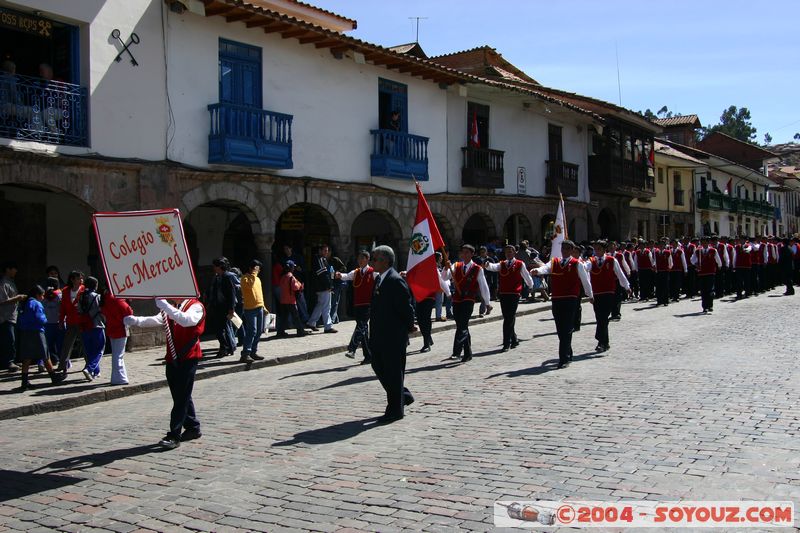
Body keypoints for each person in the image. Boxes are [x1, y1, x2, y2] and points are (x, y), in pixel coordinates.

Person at [125, 297, 206, 449]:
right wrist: (135, 320)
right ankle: (193, 427)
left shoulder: (195, 306)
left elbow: (186, 320)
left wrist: (165, 306)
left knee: (181, 396)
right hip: (172, 357)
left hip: (188, 356)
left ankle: (174, 435)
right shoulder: (173, 306)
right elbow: (157, 320)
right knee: (180, 394)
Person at [368, 245, 415, 424]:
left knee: (394, 371)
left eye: (376, 259)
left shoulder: (395, 280)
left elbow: (406, 306)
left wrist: (410, 326)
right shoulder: (379, 279)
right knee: (378, 366)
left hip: (393, 335)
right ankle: (403, 394)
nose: (373, 262)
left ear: (386, 261)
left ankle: (395, 410)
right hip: (379, 334)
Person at [531, 240, 593, 369]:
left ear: (571, 250)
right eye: (563, 248)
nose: (564, 251)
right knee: (560, 329)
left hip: (571, 298)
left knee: (566, 327)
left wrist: (590, 295)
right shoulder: (555, 262)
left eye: (567, 249)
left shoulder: (577, 264)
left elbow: (585, 280)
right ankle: (568, 352)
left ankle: (563, 358)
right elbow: (545, 268)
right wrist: (538, 270)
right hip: (557, 298)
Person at [441, 244, 493, 362]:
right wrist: (445, 267)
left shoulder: (477, 268)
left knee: (463, 325)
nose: (464, 255)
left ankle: (456, 351)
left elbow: (483, 286)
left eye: (467, 252)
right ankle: (468, 353)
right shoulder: (456, 265)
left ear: (472, 254)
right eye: (462, 252)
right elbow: (444, 278)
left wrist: (487, 302)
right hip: (457, 300)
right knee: (461, 326)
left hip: (469, 300)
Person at [484, 244, 534, 352]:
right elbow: (493, 267)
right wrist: (488, 265)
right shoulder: (502, 264)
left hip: (514, 293)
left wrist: (530, 286)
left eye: (510, 251)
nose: (508, 253)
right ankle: (514, 339)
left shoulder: (520, 264)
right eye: (507, 252)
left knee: (509, 317)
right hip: (504, 293)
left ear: (515, 252)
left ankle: (506, 343)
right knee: (507, 316)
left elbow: (526, 276)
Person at [15, 285, 66, 390]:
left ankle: (24, 382)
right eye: (42, 295)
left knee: (27, 357)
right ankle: (53, 376)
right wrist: (45, 320)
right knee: (45, 354)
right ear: (37, 295)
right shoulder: (36, 304)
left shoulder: (23, 303)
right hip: (37, 331)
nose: (43, 298)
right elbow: (40, 318)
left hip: (25, 332)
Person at [585, 241, 629, 353]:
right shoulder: (591, 261)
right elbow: (585, 267)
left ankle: (601, 341)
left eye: (599, 249)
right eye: (595, 249)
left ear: (604, 250)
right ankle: (605, 342)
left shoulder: (611, 260)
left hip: (609, 292)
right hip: (596, 293)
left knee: (604, 316)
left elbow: (620, 274)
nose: (597, 251)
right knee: (600, 317)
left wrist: (627, 286)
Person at [337, 251, 376, 362]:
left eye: (362, 258)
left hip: (368, 304)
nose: (359, 261)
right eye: (358, 258)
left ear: (367, 259)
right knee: (363, 329)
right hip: (358, 304)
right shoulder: (356, 272)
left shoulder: (373, 272)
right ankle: (368, 355)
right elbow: (347, 276)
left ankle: (352, 349)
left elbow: (382, 279)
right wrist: (340, 275)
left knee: (361, 326)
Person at [205, 257, 237, 358]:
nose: (214, 268)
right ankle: (228, 347)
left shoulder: (227, 277)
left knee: (221, 329)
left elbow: (231, 294)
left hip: (224, 307)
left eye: (215, 266)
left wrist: (231, 308)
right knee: (221, 329)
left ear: (220, 266)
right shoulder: (217, 277)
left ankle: (225, 347)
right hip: (217, 306)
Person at [100, 289, 133, 385]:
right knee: (119, 355)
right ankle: (120, 378)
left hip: (111, 327)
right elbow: (128, 312)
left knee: (116, 354)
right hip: (120, 328)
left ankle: (116, 377)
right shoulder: (116, 298)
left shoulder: (106, 298)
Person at [56, 270, 86, 376]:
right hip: (70, 321)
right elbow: (63, 307)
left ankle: (89, 366)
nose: (80, 280)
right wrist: (61, 320)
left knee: (84, 343)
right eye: (78, 278)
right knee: (67, 344)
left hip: (81, 321)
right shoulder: (65, 291)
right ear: (72, 279)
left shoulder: (84, 290)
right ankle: (63, 366)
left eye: (81, 278)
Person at [240, 260, 267, 364]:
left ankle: (253, 352)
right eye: (257, 268)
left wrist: (263, 306)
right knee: (252, 331)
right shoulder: (245, 278)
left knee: (259, 331)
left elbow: (260, 294)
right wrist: (254, 274)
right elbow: (250, 286)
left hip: (259, 307)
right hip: (250, 309)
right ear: (252, 268)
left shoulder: (258, 279)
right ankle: (245, 353)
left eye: (259, 269)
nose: (258, 271)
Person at [78, 277, 106, 382]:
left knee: (89, 350)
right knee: (99, 350)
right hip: (97, 325)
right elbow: (102, 310)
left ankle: (96, 371)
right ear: (95, 285)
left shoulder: (80, 297)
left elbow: (79, 310)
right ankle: (89, 369)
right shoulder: (97, 297)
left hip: (85, 326)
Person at [0, 261, 25, 372]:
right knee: (9, 340)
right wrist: (18, 298)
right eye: (14, 268)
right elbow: (3, 300)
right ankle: (8, 361)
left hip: (13, 316)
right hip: (6, 316)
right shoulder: (4, 283)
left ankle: (13, 360)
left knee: (14, 340)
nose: (16, 271)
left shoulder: (11, 282)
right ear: (8, 269)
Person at [306, 244, 337, 334]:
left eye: (327, 251)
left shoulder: (322, 259)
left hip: (322, 287)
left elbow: (327, 273)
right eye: (324, 251)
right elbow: (323, 275)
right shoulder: (319, 259)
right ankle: (328, 326)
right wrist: (329, 286)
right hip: (323, 287)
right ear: (320, 251)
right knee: (327, 307)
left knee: (320, 305)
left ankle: (311, 322)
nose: (326, 253)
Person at [691, 237, 722, 313]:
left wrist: (719, 266)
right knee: (703, 290)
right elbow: (692, 259)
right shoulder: (698, 251)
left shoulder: (713, 250)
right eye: (702, 242)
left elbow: (718, 260)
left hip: (710, 272)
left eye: (705, 242)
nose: (704, 244)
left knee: (710, 290)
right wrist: (696, 264)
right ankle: (704, 306)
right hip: (702, 273)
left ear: (708, 243)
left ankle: (710, 305)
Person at [277, 261, 306, 338]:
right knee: (296, 317)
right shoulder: (291, 277)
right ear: (291, 268)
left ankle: (280, 332)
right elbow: (295, 287)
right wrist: (300, 285)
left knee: (283, 317)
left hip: (283, 300)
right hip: (291, 300)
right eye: (293, 267)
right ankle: (300, 331)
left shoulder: (282, 277)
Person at [42, 277, 63, 369]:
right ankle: (62, 362)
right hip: (59, 322)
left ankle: (52, 360)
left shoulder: (43, 296)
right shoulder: (60, 294)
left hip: (47, 323)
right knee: (60, 344)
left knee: (48, 344)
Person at [653, 239, 673, 307]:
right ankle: (659, 300)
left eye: (662, 244)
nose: (661, 246)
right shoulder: (656, 252)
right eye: (660, 244)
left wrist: (669, 267)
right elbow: (654, 260)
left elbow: (670, 261)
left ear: (664, 245)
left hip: (665, 271)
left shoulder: (667, 252)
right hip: (658, 271)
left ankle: (665, 300)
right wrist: (654, 265)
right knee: (659, 286)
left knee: (665, 286)